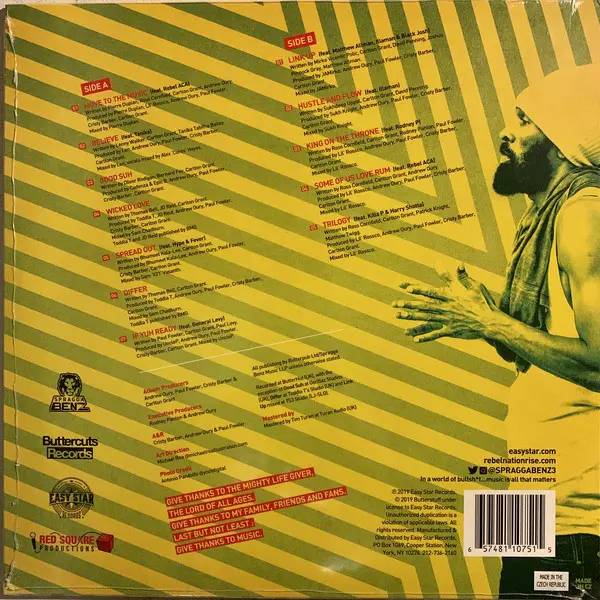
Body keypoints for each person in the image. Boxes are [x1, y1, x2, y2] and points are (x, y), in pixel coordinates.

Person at [394, 65, 600, 598]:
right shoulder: (547, 216)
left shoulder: (584, 214)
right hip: (536, 512)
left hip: (579, 522)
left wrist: (488, 320)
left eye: (526, 120)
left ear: (563, 138)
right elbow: (554, 353)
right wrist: (486, 316)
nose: (507, 132)